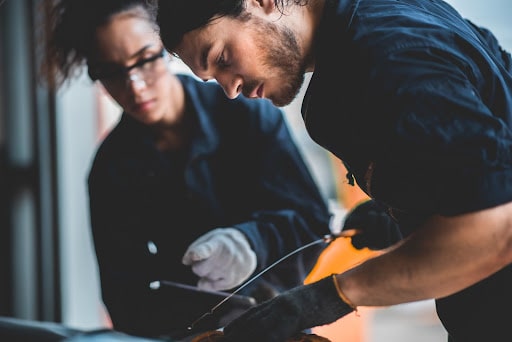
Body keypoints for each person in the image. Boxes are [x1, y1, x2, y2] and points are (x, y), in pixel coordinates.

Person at [155, 0, 512, 341]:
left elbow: (496, 229)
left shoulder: (388, 58)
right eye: (213, 78)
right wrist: (406, 211)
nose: (230, 89)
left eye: (221, 58)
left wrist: (327, 297)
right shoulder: (385, 17)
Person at [40, 0, 334, 339]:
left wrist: (251, 241)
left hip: (278, 324)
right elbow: (125, 299)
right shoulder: (112, 169)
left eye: (145, 60)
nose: (135, 86)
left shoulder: (246, 115)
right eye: (112, 72)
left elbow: (313, 224)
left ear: (166, 47)